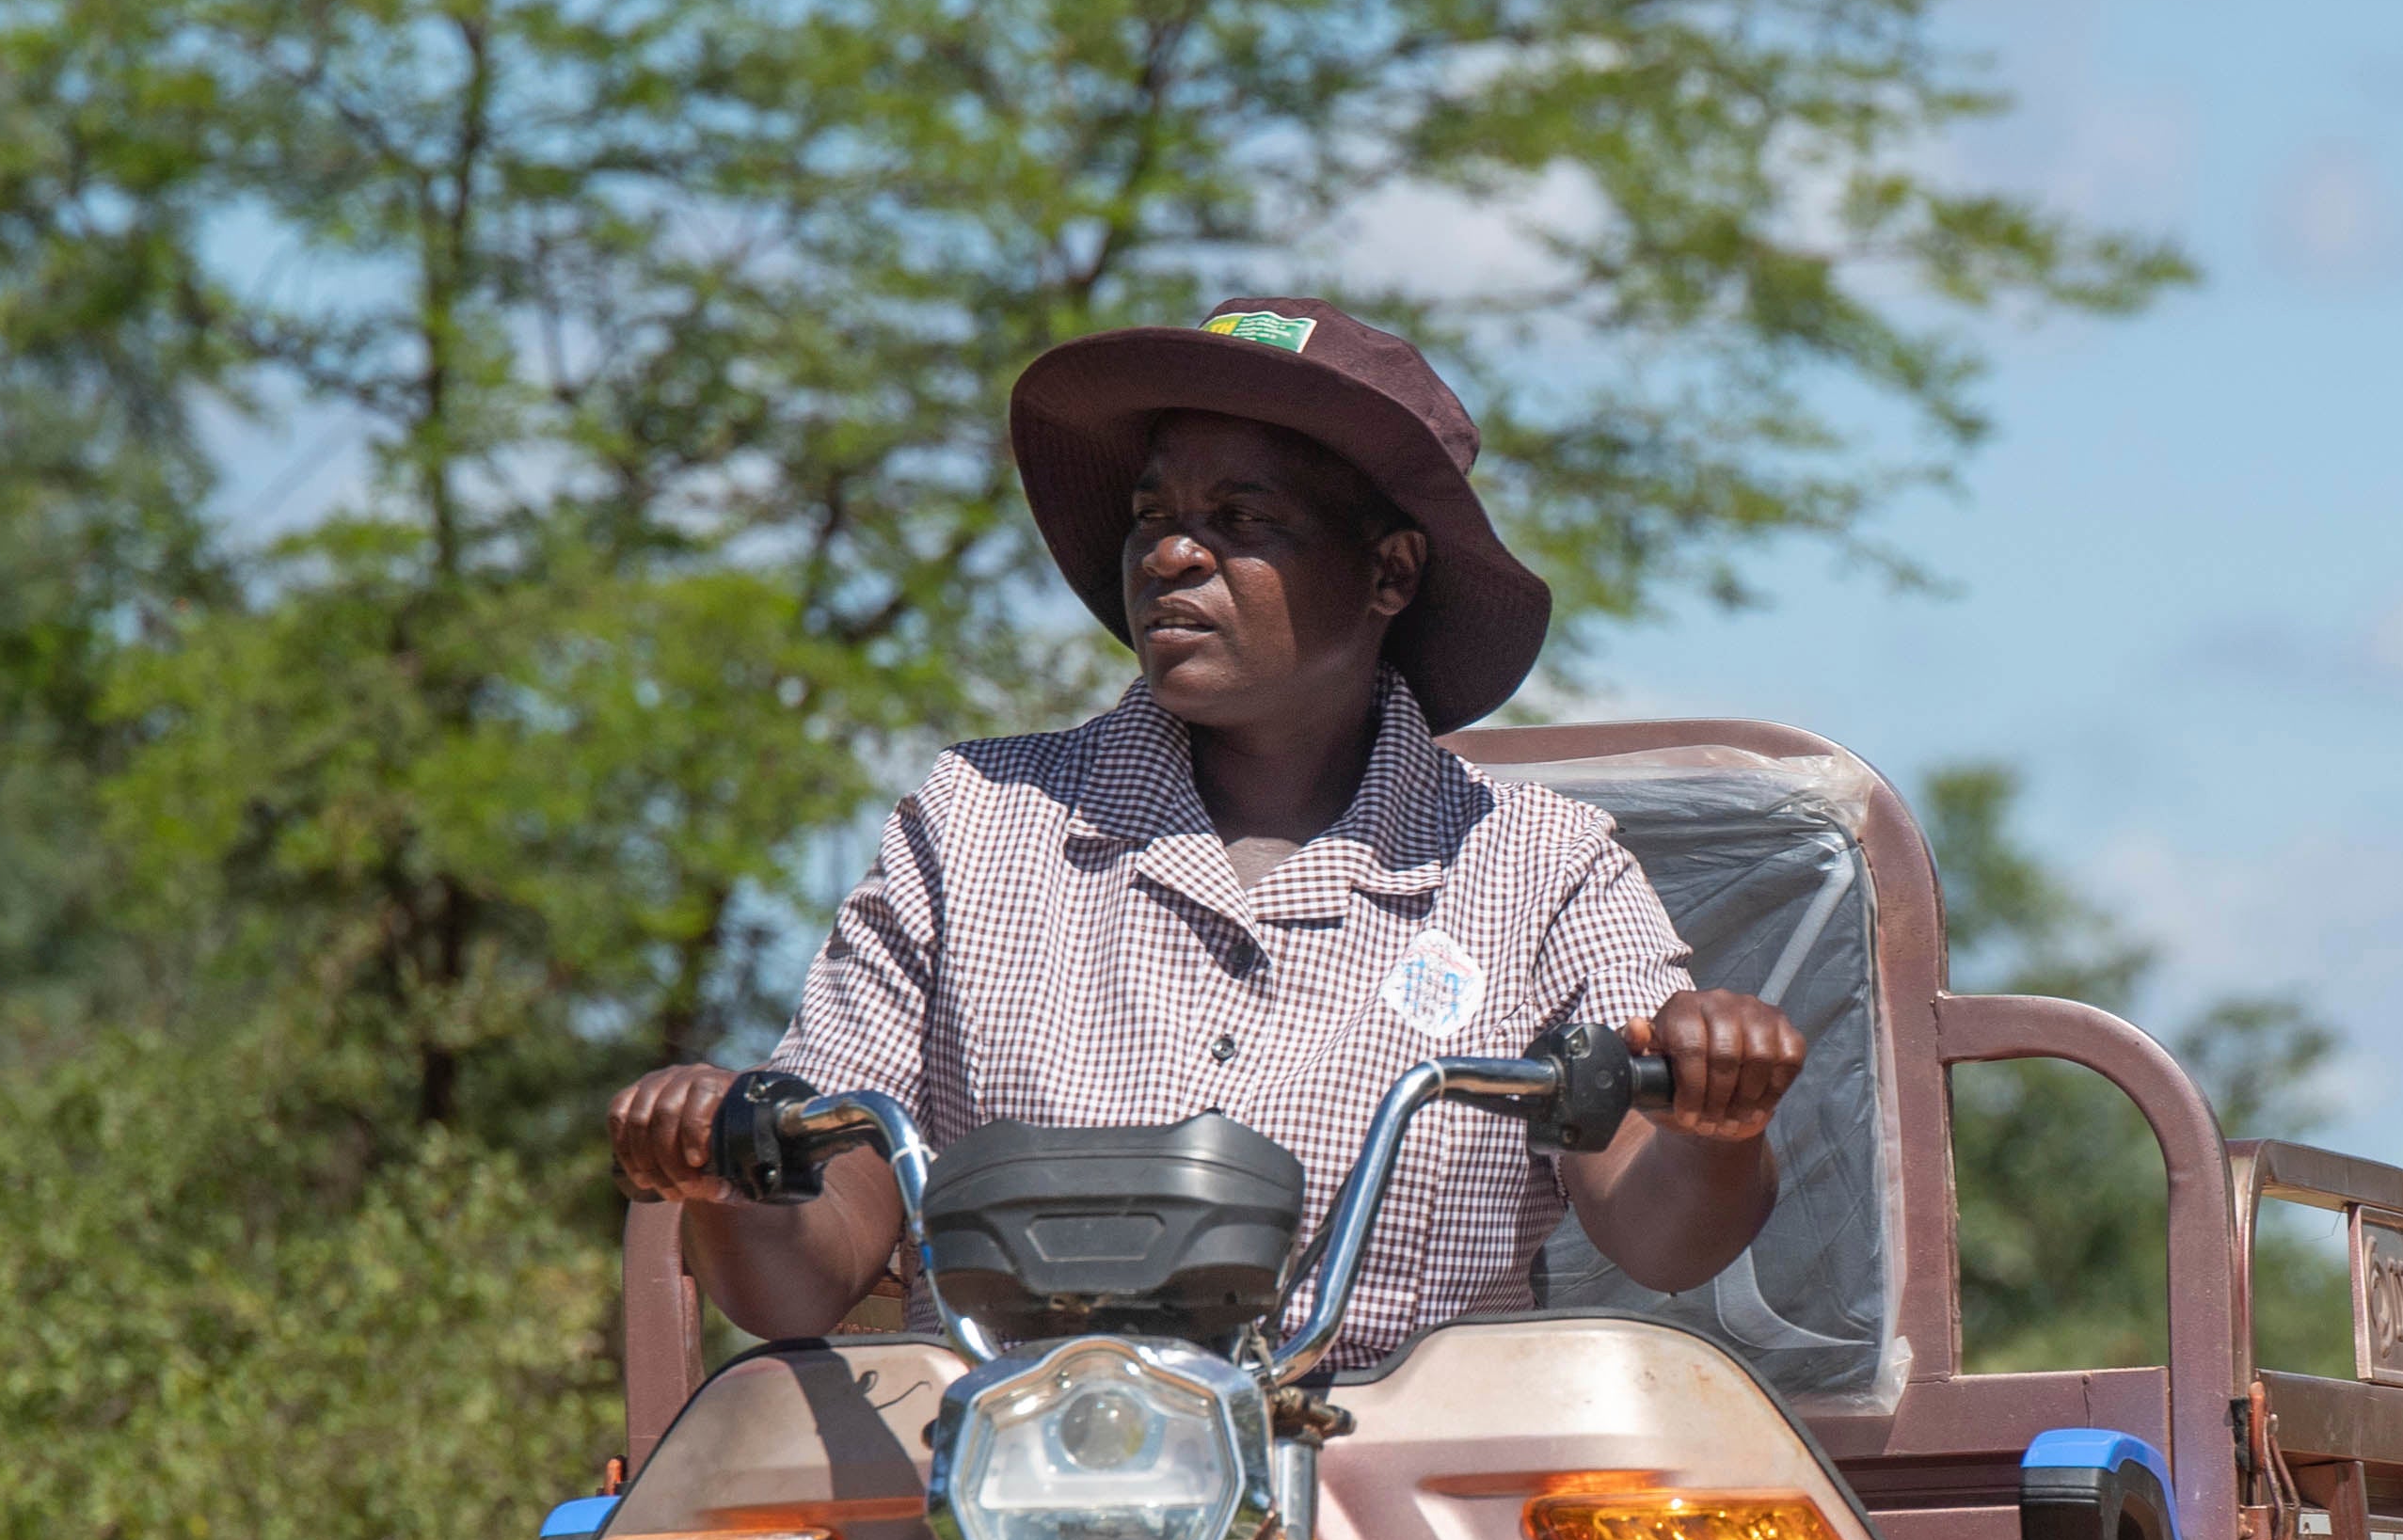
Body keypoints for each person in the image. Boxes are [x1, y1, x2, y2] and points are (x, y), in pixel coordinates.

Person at [608, 297, 1805, 1368]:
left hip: (1389, 1488)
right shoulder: (973, 827)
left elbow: (1662, 1232)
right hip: (1008, 1489)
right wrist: (725, 1172)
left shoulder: (1540, 865)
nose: (1171, 554)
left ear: (1389, 573)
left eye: (1241, 517)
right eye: (1153, 516)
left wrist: (1716, 1118)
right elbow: (811, 1269)